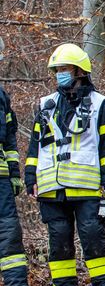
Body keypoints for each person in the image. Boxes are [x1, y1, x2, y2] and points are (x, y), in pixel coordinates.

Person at [24, 44, 105, 286]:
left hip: (87, 188)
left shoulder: (99, 104)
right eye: (56, 70)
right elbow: (36, 145)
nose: (59, 74)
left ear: (79, 71)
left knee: (94, 241)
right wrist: (30, 176)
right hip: (51, 188)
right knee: (59, 246)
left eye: (63, 69)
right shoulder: (46, 104)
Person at [0, 38, 29, 286]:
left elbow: (9, 139)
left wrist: (14, 174)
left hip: (1, 183)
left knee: (10, 235)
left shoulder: (1, 96)